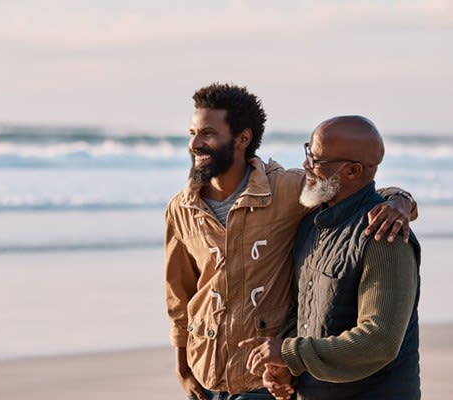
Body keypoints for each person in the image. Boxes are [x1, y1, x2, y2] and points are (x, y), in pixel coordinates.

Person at [164, 84, 416, 400]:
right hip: (206, 374)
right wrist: (183, 367)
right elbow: (179, 293)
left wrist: (401, 201)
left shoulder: (289, 190)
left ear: (242, 139)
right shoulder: (181, 208)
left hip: (262, 380)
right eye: (192, 132)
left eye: (208, 133)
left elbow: (359, 191)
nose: (195, 143)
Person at [239, 116, 421, 399]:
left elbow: (379, 340)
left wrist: (288, 353)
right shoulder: (310, 224)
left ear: (352, 171)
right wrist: (286, 368)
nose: (306, 166)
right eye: (307, 153)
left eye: (316, 160)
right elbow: (301, 312)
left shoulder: (384, 237)